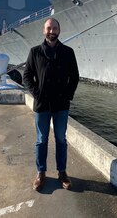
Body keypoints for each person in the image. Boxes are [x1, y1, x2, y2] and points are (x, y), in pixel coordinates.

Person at [23, 18, 79, 191]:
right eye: (48, 28)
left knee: (61, 139)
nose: (51, 31)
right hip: (42, 105)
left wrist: (67, 96)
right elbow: (26, 76)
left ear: (59, 30)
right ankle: (41, 173)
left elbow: (75, 76)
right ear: (44, 30)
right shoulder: (35, 52)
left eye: (54, 28)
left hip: (61, 104)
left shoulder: (68, 52)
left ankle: (62, 172)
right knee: (41, 140)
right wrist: (37, 94)